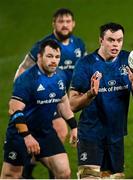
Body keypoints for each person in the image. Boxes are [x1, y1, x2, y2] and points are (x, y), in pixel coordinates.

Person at [69, 22, 133, 179]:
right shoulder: (86, 64)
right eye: (111, 40)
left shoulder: (129, 61)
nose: (116, 44)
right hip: (90, 134)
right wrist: (90, 94)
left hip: (116, 136)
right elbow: (71, 104)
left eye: (119, 40)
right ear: (101, 40)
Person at [14, 8, 86, 178]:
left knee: (56, 134)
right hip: (43, 98)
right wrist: (21, 93)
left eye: (68, 21)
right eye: (61, 21)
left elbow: (82, 68)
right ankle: (45, 171)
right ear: (54, 24)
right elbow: (23, 69)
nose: (65, 25)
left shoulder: (79, 44)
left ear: (73, 24)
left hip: (62, 98)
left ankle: (29, 169)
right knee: (60, 130)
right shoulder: (43, 45)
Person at [0, 39, 77, 179]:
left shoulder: (60, 76)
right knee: (11, 175)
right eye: (49, 56)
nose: (54, 60)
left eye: (57, 57)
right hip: (20, 134)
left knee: (64, 172)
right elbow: (15, 110)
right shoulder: (26, 79)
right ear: (40, 57)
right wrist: (27, 136)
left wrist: (74, 127)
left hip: (45, 132)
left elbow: (63, 103)